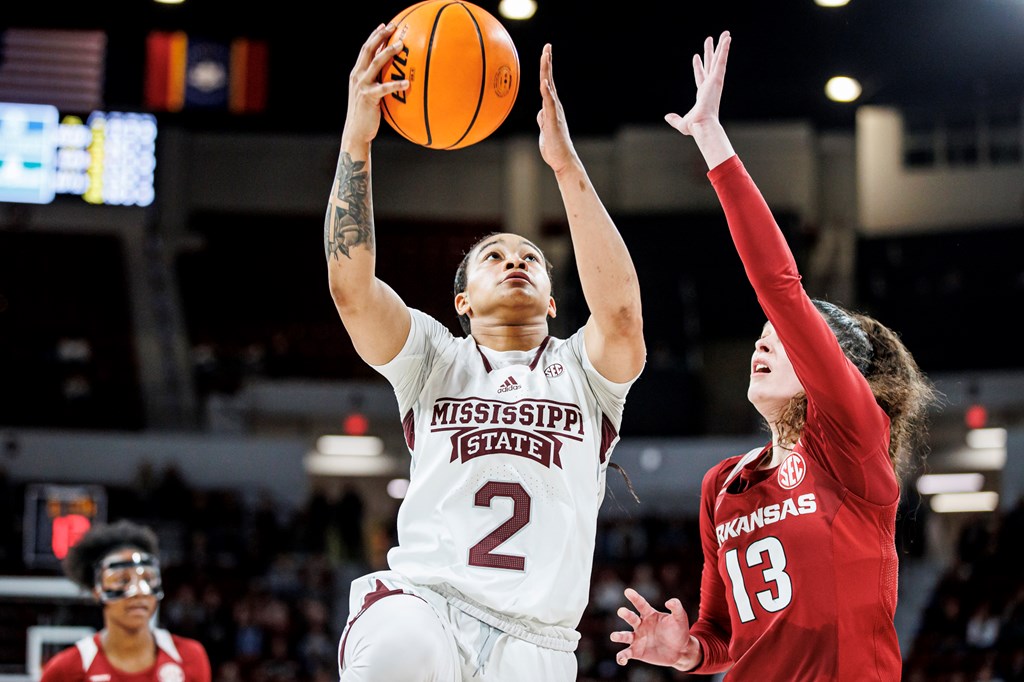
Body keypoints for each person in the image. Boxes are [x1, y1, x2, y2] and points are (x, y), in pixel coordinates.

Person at [610, 31, 938, 680]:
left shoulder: (850, 439)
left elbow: (780, 286)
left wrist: (712, 140)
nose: (763, 338)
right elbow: (725, 636)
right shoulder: (722, 485)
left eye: (782, 334)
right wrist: (688, 650)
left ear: (830, 370)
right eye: (761, 333)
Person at [325, 21, 646, 682]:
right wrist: (358, 136)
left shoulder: (585, 374)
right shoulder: (434, 358)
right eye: (492, 258)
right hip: (425, 604)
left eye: (530, 257)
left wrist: (564, 164)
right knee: (398, 653)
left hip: (539, 641)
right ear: (462, 303)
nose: (514, 262)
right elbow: (351, 290)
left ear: (555, 304)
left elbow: (617, 311)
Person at [40, 519, 211, 681]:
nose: (138, 592)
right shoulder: (66, 669)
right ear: (97, 590)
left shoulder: (190, 656)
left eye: (147, 578)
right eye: (122, 580)